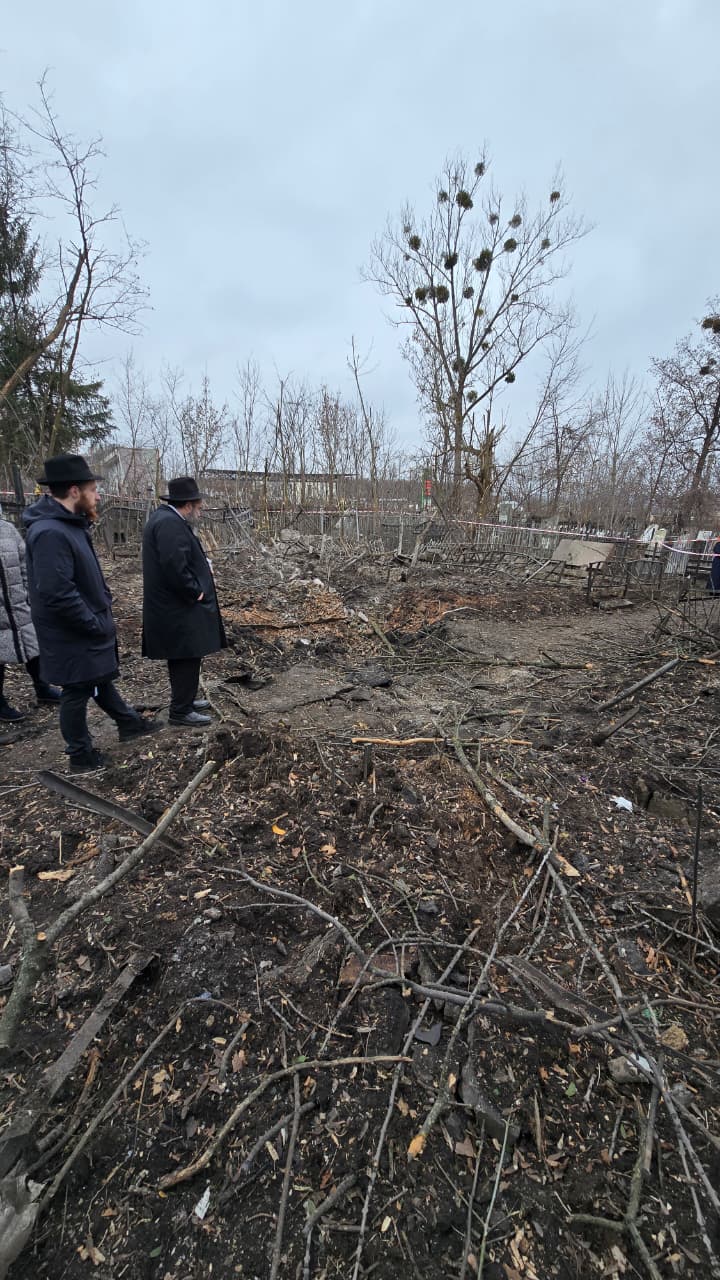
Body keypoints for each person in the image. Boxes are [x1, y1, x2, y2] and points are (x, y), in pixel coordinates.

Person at [23, 454, 158, 772]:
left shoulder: (68, 526)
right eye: (93, 489)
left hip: (83, 626)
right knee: (77, 689)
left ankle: (129, 724)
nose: (97, 495)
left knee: (96, 678)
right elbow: (57, 592)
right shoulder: (50, 533)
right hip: (71, 630)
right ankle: (80, 755)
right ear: (73, 491)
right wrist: (93, 623)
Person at [142, 476, 226, 726]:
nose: (199, 512)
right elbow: (174, 565)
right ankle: (180, 711)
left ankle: (186, 700)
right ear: (188, 505)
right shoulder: (169, 524)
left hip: (174, 606)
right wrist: (195, 591)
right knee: (185, 655)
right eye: (198, 507)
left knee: (187, 655)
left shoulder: (167, 520)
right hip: (177, 606)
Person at [0, 503, 60, 721]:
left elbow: (25, 564)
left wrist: (28, 593)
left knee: (31, 647)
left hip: (17, 604)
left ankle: (42, 688)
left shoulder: (7, 529)